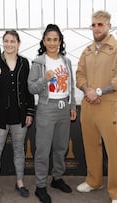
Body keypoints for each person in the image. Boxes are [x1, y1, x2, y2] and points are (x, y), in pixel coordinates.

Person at [75, 10, 117, 203]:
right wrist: (87, 90)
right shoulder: (87, 51)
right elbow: (79, 75)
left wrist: (97, 92)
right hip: (88, 104)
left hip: (108, 106)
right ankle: (94, 181)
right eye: (94, 24)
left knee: (113, 150)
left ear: (109, 26)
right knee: (91, 146)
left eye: (101, 24)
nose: (97, 28)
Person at [0, 30, 35, 203]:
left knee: (19, 151)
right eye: (6, 41)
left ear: (18, 43)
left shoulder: (24, 63)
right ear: (2, 43)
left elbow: (28, 90)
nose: (9, 44)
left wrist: (29, 112)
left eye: (13, 41)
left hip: (19, 115)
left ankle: (20, 183)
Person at [28, 24, 77, 203]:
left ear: (60, 41)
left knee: (61, 147)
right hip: (46, 108)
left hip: (64, 108)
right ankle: (40, 186)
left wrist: (73, 106)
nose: (52, 43)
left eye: (55, 39)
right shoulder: (38, 62)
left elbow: (70, 85)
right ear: (44, 41)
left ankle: (57, 178)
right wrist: (44, 80)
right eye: (48, 39)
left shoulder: (67, 61)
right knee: (43, 149)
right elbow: (31, 87)